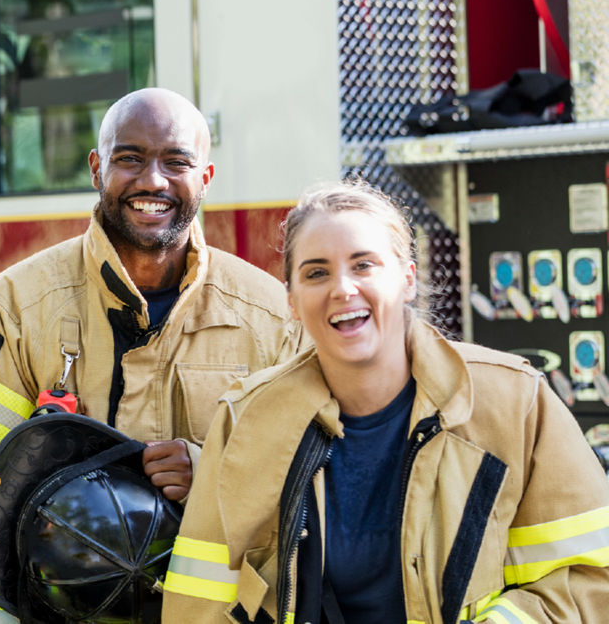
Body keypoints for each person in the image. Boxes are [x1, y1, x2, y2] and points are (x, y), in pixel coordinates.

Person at [0, 87, 303, 622]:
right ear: (96, 167)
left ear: (206, 178)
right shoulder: (12, 306)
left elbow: (306, 483)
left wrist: (211, 471)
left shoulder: (271, 318)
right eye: (129, 158)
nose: (152, 180)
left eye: (176, 162)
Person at [161, 181, 609, 623]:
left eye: (363, 265)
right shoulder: (245, 420)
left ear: (407, 279)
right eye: (316, 272)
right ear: (293, 301)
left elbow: (590, 578)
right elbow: (199, 602)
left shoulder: (515, 401)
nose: (342, 289)